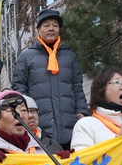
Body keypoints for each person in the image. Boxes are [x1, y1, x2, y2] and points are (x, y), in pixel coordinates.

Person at [12, 9, 88, 149]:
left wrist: (82, 112)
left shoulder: (69, 56)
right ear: (38, 30)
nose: (51, 28)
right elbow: (19, 88)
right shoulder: (26, 56)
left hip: (69, 126)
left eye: (55, 25)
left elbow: (77, 86)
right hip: (39, 127)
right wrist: (26, 113)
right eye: (46, 25)